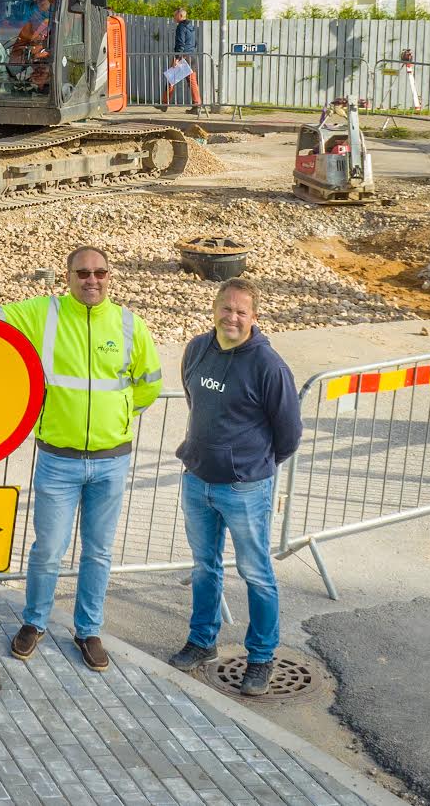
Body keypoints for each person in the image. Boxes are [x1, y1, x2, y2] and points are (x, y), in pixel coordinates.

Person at [0, 246, 163, 672]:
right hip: (58, 460)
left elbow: (149, 385)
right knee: (48, 550)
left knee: (98, 552)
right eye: (83, 273)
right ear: (68, 277)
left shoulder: (129, 324)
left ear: (109, 275)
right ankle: (34, 622)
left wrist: (116, 417)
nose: (92, 280)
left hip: (111, 459)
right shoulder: (43, 314)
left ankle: (89, 630)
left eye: (100, 272)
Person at [167, 278, 300, 696]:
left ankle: (260, 657)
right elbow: (196, 402)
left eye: (242, 311)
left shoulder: (268, 366)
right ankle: (202, 642)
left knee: (256, 574)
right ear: (214, 309)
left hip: (245, 488)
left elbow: (289, 433)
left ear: (254, 317)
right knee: (204, 567)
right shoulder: (196, 350)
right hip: (197, 481)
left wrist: (252, 465)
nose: (233, 317)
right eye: (226, 309)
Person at [160, 6, 204, 112]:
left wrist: (177, 58)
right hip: (192, 56)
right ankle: (197, 105)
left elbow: (180, 43)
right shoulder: (191, 27)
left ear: (180, 15)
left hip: (183, 57)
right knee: (193, 81)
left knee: (171, 79)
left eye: (175, 15)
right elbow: (195, 42)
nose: (173, 17)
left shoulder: (181, 27)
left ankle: (164, 104)